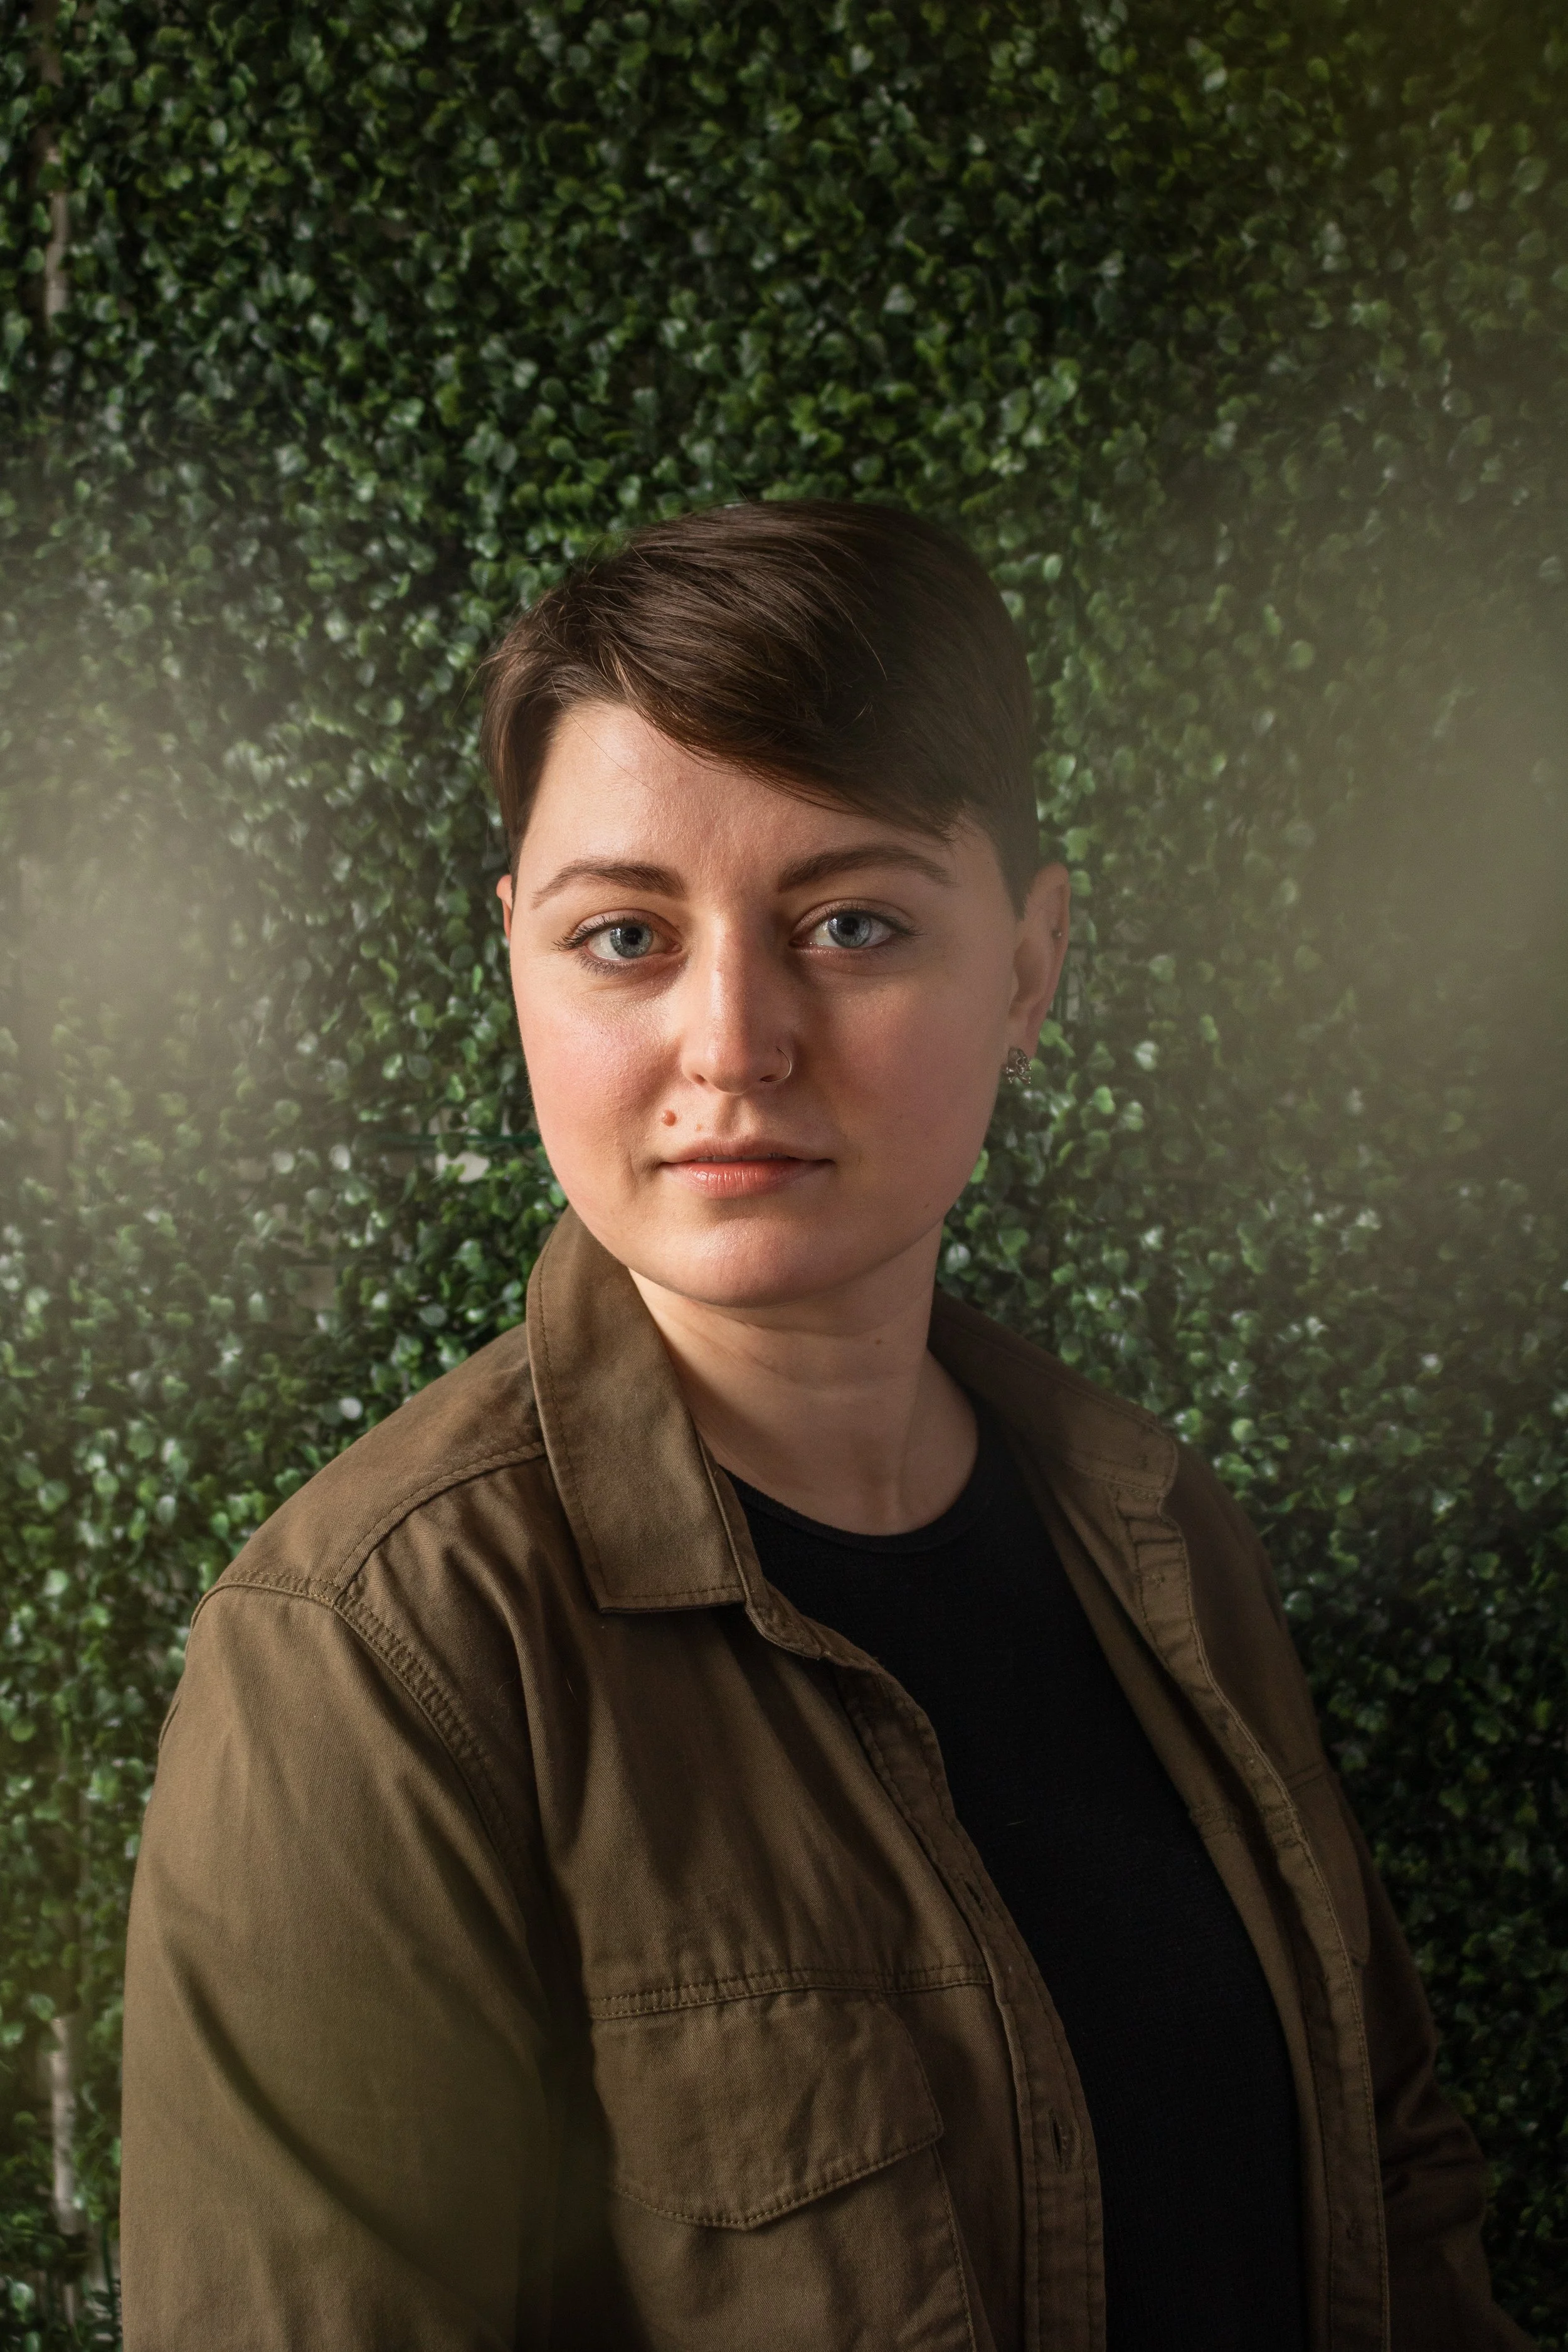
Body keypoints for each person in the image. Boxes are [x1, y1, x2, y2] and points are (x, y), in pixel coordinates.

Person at [120, 500, 1531, 2352]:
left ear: (1026, 966)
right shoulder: (377, 1658)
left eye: (852, 921)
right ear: (514, 965)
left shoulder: (1160, 1530)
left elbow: (1394, 2186)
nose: (732, 1041)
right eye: (623, 934)